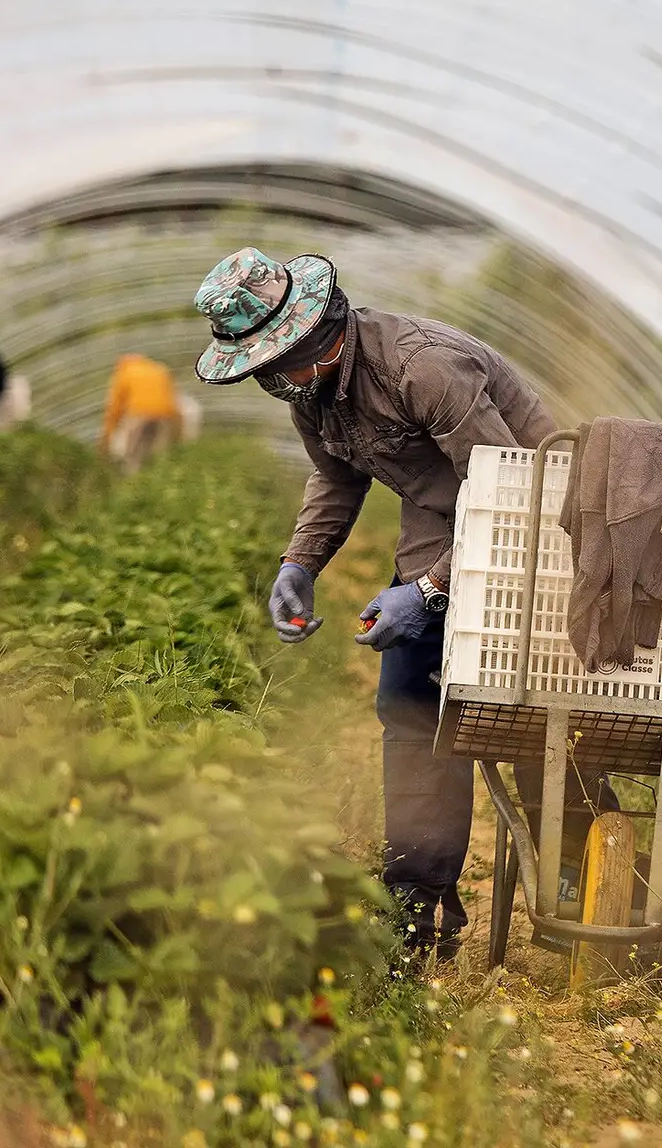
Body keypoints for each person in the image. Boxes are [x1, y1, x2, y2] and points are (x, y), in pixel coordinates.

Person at [191, 246, 577, 960]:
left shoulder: (422, 368)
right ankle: (419, 899)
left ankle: (574, 883)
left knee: (529, 714)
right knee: (410, 707)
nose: (269, 384)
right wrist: (299, 565)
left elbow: (514, 496)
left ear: (313, 336)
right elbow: (336, 480)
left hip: (541, 523)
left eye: (271, 367)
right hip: (444, 519)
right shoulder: (310, 389)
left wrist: (428, 591)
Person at [99, 353, 183, 473]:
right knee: (158, 451)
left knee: (131, 453)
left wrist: (106, 438)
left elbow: (114, 409)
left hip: (139, 414)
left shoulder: (125, 373)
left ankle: (133, 479)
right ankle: (161, 475)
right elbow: (173, 399)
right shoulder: (160, 369)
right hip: (164, 415)